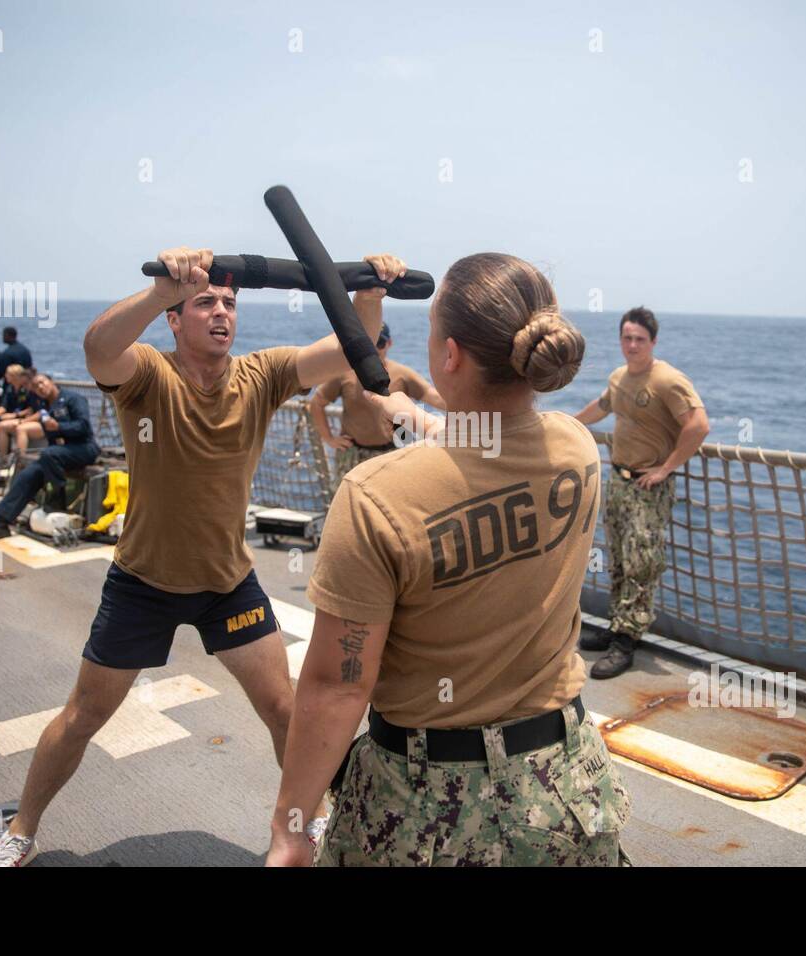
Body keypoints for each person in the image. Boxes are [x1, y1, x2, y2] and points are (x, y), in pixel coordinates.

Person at [0, 245, 405, 867]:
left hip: (227, 583)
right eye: (205, 302)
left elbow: (348, 354)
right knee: (83, 717)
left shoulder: (263, 374)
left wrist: (368, 296)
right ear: (176, 321)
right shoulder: (150, 373)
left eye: (229, 302)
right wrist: (159, 292)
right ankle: (21, 829)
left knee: (285, 709)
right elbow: (100, 349)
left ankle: (307, 822)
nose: (221, 311)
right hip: (142, 583)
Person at [266, 252, 633, 868]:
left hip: (422, 808)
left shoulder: (374, 496)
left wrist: (291, 826)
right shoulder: (577, 448)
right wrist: (416, 420)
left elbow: (336, 686)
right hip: (566, 788)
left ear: (451, 355)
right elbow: (488, 452)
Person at [572, 307, 709, 679]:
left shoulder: (666, 380)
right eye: (627, 338)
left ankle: (627, 640)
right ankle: (618, 624)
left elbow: (698, 425)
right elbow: (603, 406)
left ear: (653, 342)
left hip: (649, 486)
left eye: (640, 339)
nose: (632, 345)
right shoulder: (619, 377)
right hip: (618, 479)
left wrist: (666, 468)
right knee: (618, 556)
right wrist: (567, 422)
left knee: (641, 562)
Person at [309, 322, 445, 494]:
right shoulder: (345, 373)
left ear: (389, 344)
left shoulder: (401, 374)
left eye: (379, 343)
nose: (374, 349)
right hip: (352, 453)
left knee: (390, 505)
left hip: (389, 453)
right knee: (347, 503)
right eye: (369, 343)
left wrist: (474, 406)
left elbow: (432, 396)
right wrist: (329, 438)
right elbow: (317, 402)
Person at [0, 373, 99, 540]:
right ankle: (1, 522)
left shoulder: (73, 398)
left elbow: (83, 426)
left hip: (84, 448)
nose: (40, 387)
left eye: (42, 383)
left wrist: (59, 426)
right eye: (35, 386)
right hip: (59, 453)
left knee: (48, 454)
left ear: (51, 382)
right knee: (29, 474)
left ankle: (57, 499)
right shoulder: (44, 405)